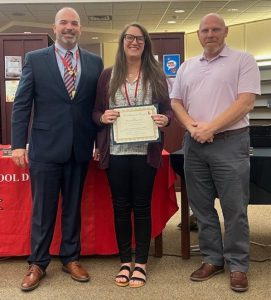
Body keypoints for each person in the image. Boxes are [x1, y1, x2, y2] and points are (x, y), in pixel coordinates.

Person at [11, 7, 103, 291]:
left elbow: (97, 107)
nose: (69, 27)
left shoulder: (94, 62)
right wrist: (17, 145)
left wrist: (100, 142)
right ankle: (37, 263)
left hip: (79, 148)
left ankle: (70, 257)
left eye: (74, 23)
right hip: (44, 149)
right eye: (64, 22)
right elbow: (22, 103)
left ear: (80, 29)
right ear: (55, 28)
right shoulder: (36, 60)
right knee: (43, 210)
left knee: (73, 208)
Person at [171, 13, 260, 292]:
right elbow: (176, 101)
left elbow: (245, 103)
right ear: (198, 34)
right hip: (194, 145)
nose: (210, 34)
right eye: (205, 30)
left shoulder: (243, 60)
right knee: (201, 207)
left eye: (215, 30)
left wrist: (211, 128)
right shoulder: (187, 66)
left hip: (230, 142)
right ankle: (212, 258)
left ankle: (237, 264)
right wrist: (192, 127)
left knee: (235, 208)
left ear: (226, 32)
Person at [92, 23, 172, 288]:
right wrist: (103, 117)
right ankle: (125, 261)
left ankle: (142, 263)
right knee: (120, 207)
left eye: (139, 38)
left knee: (142, 207)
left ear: (145, 43)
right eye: (129, 37)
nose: (134, 42)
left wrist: (164, 119)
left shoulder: (156, 74)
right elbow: (95, 112)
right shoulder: (108, 75)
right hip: (115, 153)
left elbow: (168, 111)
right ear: (122, 41)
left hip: (145, 152)